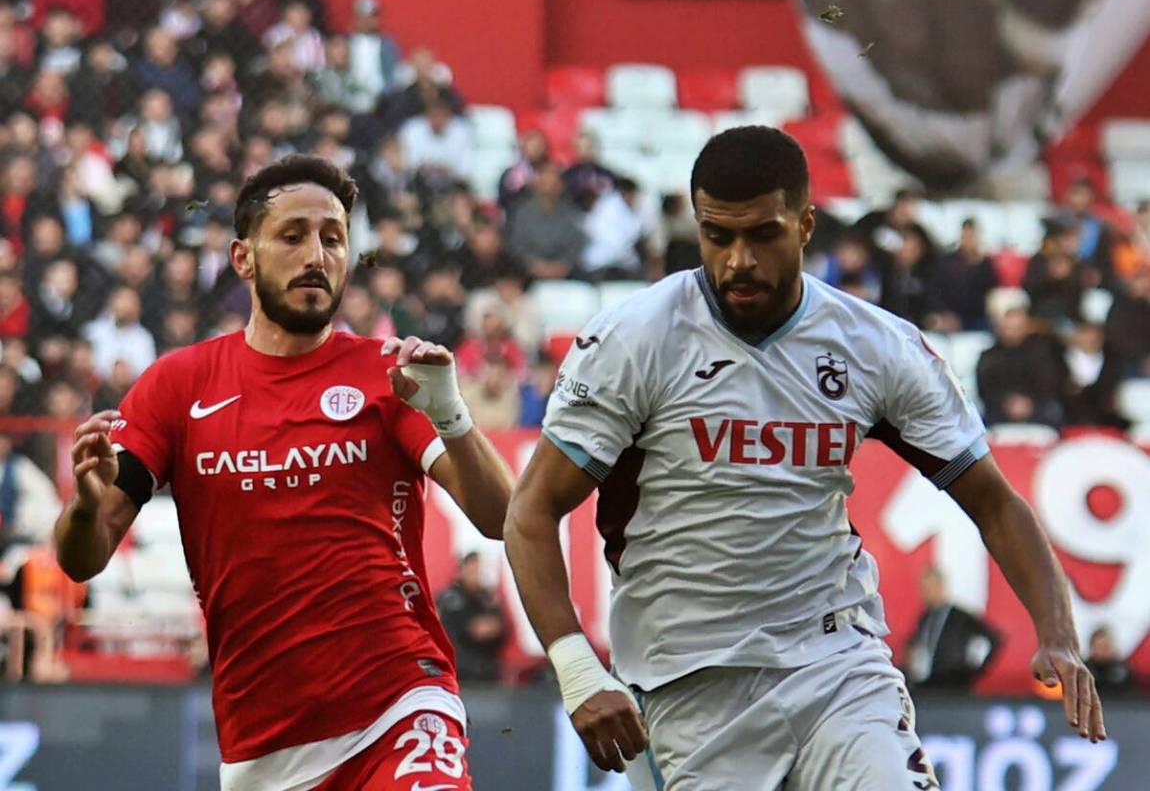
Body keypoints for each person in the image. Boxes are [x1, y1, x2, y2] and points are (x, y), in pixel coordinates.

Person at [503, 127, 1106, 790]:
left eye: (762, 234)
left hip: (835, 661)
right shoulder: (635, 340)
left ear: (806, 224)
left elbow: (993, 500)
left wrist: (1057, 630)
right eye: (716, 235)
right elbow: (531, 511)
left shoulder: (875, 347)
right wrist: (577, 668)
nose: (737, 260)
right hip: (687, 683)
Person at [53, 156, 514, 790]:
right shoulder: (177, 385)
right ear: (243, 258)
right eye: (293, 235)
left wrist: (452, 413)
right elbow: (83, 557)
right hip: (263, 749)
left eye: (333, 238)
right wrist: (84, 504)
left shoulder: (389, 375)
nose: (317, 255)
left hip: (401, 705)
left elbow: (502, 518)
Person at [904, 566, 1001, 690]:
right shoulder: (925, 617)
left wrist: (973, 670)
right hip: (927, 686)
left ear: (940, 587)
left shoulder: (959, 617)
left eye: (928, 588)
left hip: (953, 686)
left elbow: (993, 638)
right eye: (922, 588)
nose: (924, 593)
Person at [435, 551, 507, 683]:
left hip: (486, 673)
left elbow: (502, 629)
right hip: (460, 673)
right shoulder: (450, 597)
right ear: (461, 570)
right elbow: (475, 630)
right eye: (472, 569)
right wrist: (487, 626)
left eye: (478, 569)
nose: (476, 574)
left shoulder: (486, 597)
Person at [1084, 626, 1135, 695]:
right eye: (1098, 647)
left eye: (1105, 647)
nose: (1101, 651)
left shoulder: (1123, 672)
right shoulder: (1083, 671)